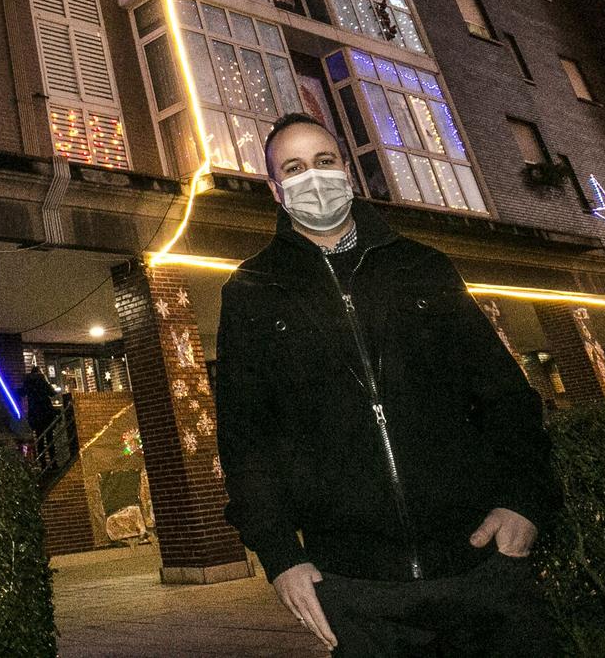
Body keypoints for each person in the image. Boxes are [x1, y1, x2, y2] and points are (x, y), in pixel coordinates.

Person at [215, 114, 560, 654]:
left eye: (324, 162)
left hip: (480, 562)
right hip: (353, 585)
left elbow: (504, 396)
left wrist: (525, 500)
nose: (314, 177)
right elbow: (246, 437)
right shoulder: (253, 291)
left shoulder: (424, 267)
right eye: (295, 168)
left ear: (347, 171)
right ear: (276, 191)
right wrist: (280, 554)